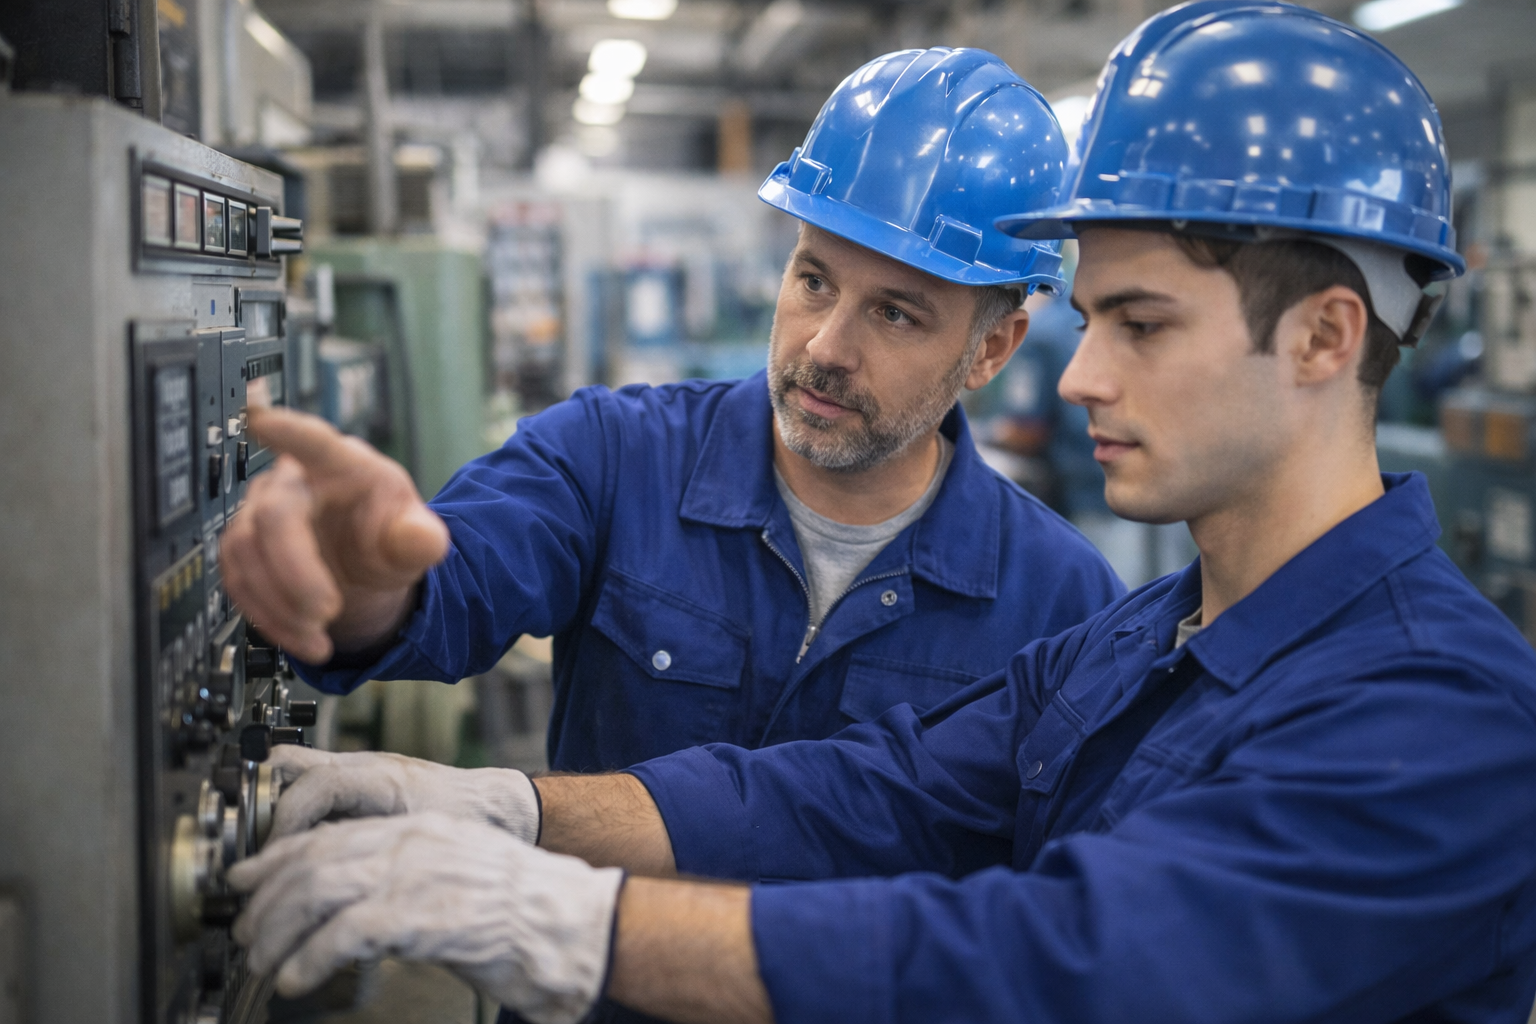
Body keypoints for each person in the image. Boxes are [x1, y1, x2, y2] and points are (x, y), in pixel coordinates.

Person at [229, 4, 1536, 1022]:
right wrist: (506, 809)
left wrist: (571, 921)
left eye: (1140, 325)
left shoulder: (1441, 719)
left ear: (1324, 337)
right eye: (1093, 321)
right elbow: (864, 794)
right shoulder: (1143, 642)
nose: (1077, 378)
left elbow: (1061, 965)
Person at [221, 47, 1123, 779]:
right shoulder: (613, 457)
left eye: (894, 314)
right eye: (814, 280)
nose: (824, 347)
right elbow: (452, 585)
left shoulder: (1062, 605)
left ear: (993, 350)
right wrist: (369, 585)